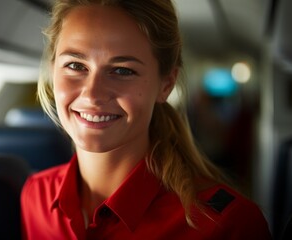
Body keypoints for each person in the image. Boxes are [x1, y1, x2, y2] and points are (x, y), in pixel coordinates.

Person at [20, 0, 272, 239]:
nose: (93, 94)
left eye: (122, 70)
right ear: (53, 69)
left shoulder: (228, 225)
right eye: (75, 65)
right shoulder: (35, 195)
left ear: (166, 84)